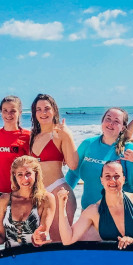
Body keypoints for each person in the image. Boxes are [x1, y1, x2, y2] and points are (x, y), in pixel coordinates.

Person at [57, 160, 133, 246]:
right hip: (109, 262)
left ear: (123, 179)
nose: (112, 180)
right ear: (101, 180)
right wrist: (62, 206)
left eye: (117, 176)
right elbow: (68, 240)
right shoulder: (93, 210)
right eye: (108, 176)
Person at [65, 107, 133, 210]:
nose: (111, 123)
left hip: (121, 212)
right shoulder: (88, 144)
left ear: (123, 128)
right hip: (90, 212)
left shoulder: (128, 149)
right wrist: (62, 198)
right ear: (102, 121)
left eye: (116, 121)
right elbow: (73, 174)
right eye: (108, 118)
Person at [28, 93, 79, 241]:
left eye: (47, 108)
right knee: (39, 240)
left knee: (59, 242)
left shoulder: (61, 133)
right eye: (39, 109)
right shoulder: (32, 135)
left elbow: (73, 164)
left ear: (54, 110)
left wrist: (68, 135)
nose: (43, 113)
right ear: (34, 113)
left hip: (58, 191)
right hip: (39, 195)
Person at [0, 156, 55, 248]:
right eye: (20, 174)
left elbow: (43, 233)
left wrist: (38, 238)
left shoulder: (46, 199)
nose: (25, 179)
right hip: (10, 258)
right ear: (14, 175)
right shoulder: (4, 200)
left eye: (28, 173)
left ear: (36, 174)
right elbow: (1, 236)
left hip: (35, 256)